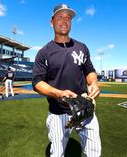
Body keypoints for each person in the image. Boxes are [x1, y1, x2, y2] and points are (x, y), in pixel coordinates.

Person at [32, 4, 101, 157]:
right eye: (60, 17)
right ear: (52, 22)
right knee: (57, 153)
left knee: (94, 153)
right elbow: (37, 82)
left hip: (85, 108)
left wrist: (94, 83)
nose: (65, 21)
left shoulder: (82, 47)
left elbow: (89, 71)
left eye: (68, 17)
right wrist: (59, 93)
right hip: (59, 112)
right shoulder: (44, 53)